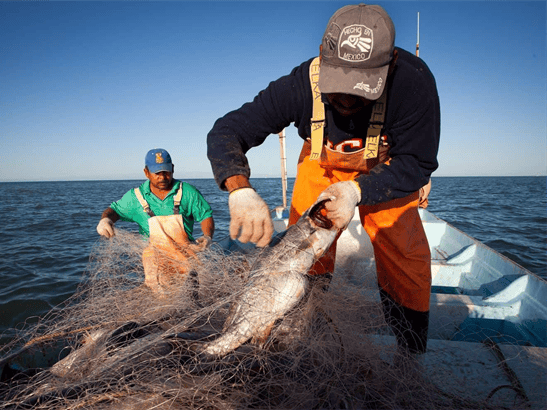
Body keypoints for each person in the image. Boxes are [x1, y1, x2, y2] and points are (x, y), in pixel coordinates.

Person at [206, 4, 439, 362]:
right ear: (322, 56)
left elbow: (417, 161)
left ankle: (410, 356)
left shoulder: (414, 83)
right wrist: (239, 188)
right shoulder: (299, 84)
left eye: (360, 89)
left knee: (405, 255)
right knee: (306, 254)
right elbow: (227, 131)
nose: (345, 99)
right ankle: (297, 334)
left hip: (385, 173)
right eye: (338, 86)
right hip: (322, 167)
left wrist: (356, 191)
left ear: (390, 64)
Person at [97, 148, 215, 293]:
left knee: (191, 295)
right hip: (155, 263)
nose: (162, 177)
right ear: (146, 172)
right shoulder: (135, 197)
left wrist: (207, 236)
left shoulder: (187, 192)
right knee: (161, 298)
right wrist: (106, 220)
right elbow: (113, 211)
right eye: (157, 173)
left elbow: (206, 216)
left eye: (166, 172)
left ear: (172, 169)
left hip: (186, 258)